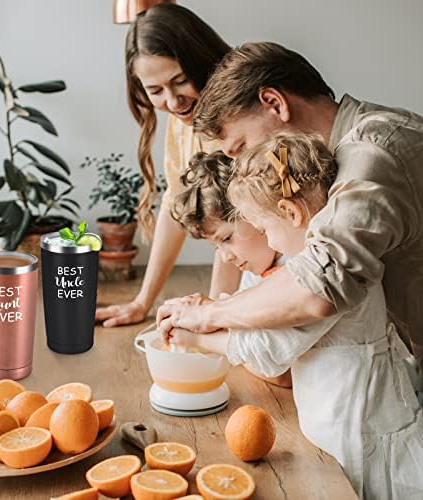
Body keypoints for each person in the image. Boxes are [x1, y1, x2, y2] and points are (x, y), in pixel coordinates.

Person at [156, 42, 423, 393]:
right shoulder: (331, 167)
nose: (241, 171)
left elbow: (318, 287)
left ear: (274, 103)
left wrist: (208, 314)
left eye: (239, 149)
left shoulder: (373, 152)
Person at [169, 132, 423, 500]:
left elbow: (269, 348)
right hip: (341, 430)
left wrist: (195, 338)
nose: (268, 240)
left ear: (289, 213)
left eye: (265, 229)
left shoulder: (320, 277)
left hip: (367, 436)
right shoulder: (307, 263)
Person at [95, 3, 236, 327]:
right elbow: (176, 202)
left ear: (202, 60)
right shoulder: (183, 119)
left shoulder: (238, 118)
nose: (172, 102)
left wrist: (211, 315)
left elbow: (239, 226)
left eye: (181, 81)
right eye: (155, 91)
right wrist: (142, 302)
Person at [170, 149, 291, 388]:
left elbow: (281, 374)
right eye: (216, 246)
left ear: (256, 212)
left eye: (226, 238)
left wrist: (198, 338)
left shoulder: (297, 265)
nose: (224, 257)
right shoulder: (254, 270)